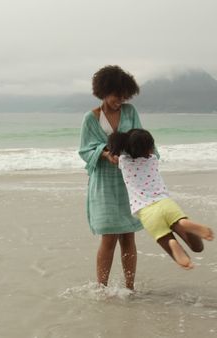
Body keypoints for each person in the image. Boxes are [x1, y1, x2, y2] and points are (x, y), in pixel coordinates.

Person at [108, 128, 214, 269]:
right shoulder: (153, 160)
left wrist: (113, 150)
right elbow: (148, 150)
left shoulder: (123, 162)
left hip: (146, 211)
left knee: (181, 257)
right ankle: (183, 224)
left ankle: (172, 244)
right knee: (197, 247)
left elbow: (113, 154)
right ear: (150, 149)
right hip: (166, 203)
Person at [78, 65, 144, 290]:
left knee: (128, 235)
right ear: (104, 91)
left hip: (128, 180)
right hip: (104, 182)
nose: (121, 100)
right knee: (108, 236)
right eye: (117, 95)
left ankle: (129, 287)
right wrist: (105, 154)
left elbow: (140, 138)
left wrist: (142, 155)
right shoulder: (90, 118)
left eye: (125, 96)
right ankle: (102, 288)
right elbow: (85, 150)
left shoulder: (130, 112)